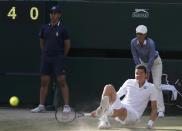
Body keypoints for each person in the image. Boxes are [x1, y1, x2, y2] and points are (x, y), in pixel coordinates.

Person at [91, 65, 157, 129]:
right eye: (136, 73)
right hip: (122, 106)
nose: (138, 75)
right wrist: (101, 107)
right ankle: (104, 121)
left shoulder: (152, 87)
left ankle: (103, 113)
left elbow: (154, 108)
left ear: (146, 75)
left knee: (123, 110)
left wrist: (150, 123)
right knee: (108, 87)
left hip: (134, 115)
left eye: (141, 73)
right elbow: (117, 95)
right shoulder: (129, 82)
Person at [31, 5, 71, 113]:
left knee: (62, 81)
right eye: (51, 13)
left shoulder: (63, 29)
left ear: (59, 15)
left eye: (55, 13)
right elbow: (42, 42)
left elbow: (67, 45)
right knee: (44, 82)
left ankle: (67, 106)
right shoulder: (44, 28)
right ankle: (41, 106)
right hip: (46, 58)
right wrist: (45, 53)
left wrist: (62, 56)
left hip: (58, 58)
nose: (53, 15)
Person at [130, 25, 165, 117]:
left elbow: (151, 58)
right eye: (137, 33)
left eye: (141, 34)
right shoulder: (133, 42)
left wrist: (147, 71)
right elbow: (135, 56)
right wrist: (139, 69)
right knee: (139, 84)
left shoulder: (151, 43)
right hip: (143, 63)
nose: (139, 35)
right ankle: (136, 108)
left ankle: (160, 110)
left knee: (157, 85)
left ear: (145, 34)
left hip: (155, 63)